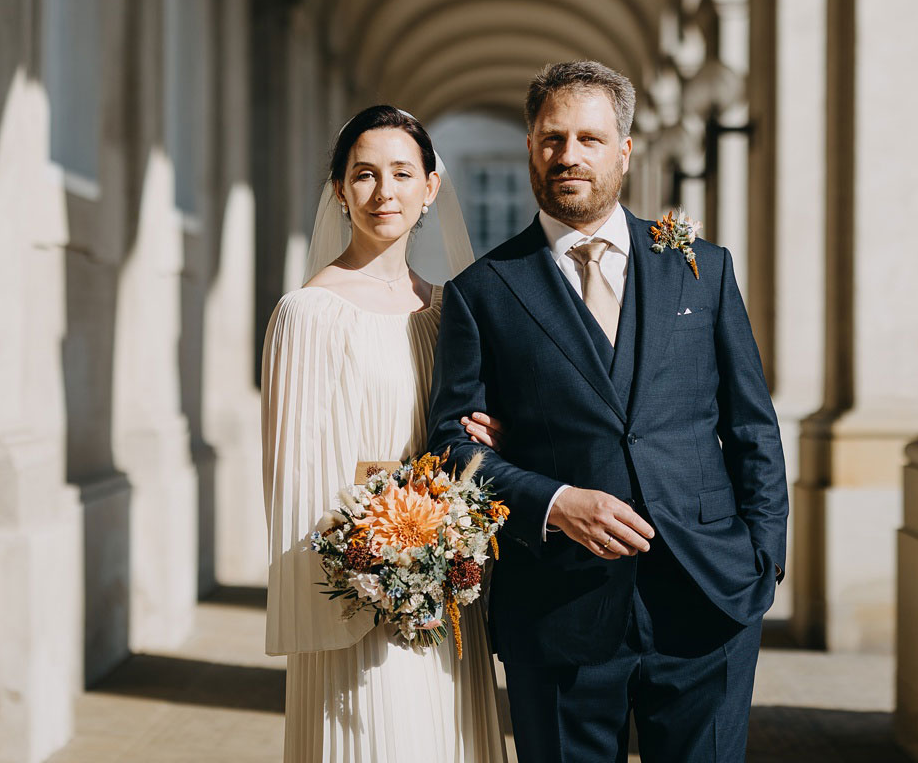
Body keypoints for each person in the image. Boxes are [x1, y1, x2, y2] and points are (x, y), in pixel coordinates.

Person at [425, 61, 789, 762]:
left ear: (624, 150)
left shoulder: (701, 269)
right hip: (558, 609)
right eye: (551, 138)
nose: (568, 156)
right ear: (530, 148)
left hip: (708, 602)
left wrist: (762, 560)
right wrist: (554, 502)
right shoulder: (481, 291)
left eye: (589, 138)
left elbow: (751, 426)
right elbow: (452, 448)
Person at [260, 105, 508, 762]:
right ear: (339, 190)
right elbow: (293, 480)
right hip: (360, 597)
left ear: (430, 189)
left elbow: (470, 450)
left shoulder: (452, 312)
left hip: (452, 595)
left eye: (402, 173)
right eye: (364, 174)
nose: (383, 191)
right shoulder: (307, 315)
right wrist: (379, 577)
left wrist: (489, 447)